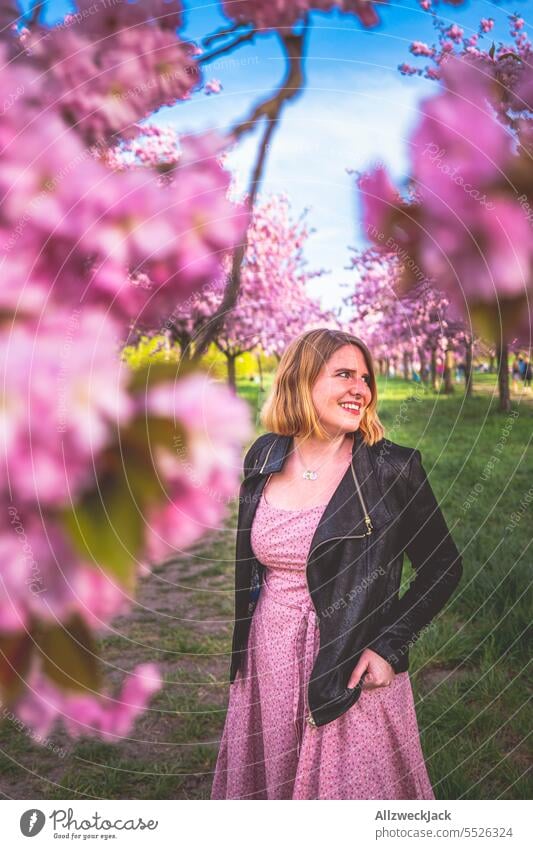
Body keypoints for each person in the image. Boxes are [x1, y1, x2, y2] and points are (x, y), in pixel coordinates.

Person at [211, 328, 463, 800]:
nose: (360, 390)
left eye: (365, 378)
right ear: (301, 381)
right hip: (268, 654)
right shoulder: (264, 456)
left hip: (348, 657)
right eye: (344, 374)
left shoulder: (391, 469)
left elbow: (442, 567)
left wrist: (390, 646)